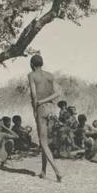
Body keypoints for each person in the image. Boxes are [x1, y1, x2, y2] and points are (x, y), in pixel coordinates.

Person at [28, 54, 62, 182]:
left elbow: (33, 95)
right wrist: (47, 100)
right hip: (52, 109)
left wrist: (38, 105)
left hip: (41, 109)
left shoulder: (31, 75)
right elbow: (58, 92)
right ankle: (43, 171)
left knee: (42, 142)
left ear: (32, 65)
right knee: (46, 142)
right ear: (42, 64)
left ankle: (57, 171)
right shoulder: (50, 75)